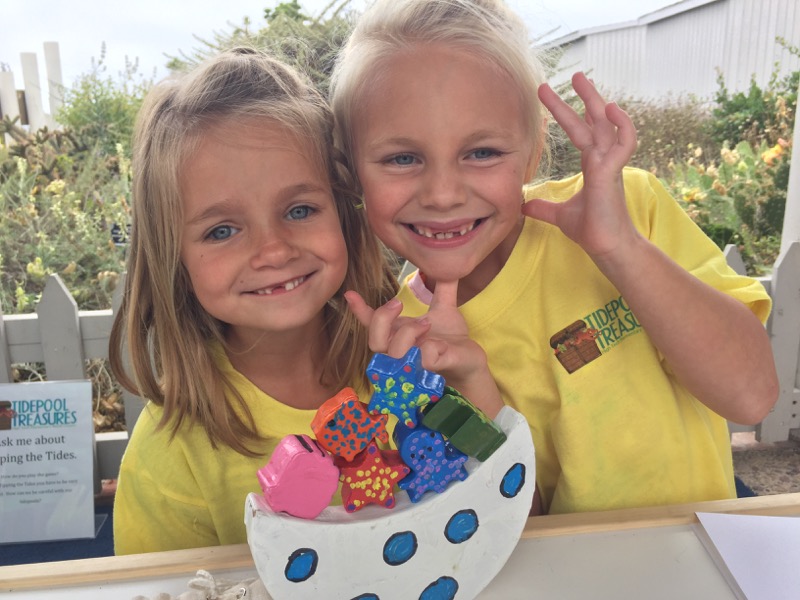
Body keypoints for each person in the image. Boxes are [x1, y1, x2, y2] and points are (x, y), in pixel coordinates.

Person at [330, 0, 779, 515]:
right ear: (351, 173)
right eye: (402, 158)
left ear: (534, 149)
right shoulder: (403, 343)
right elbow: (519, 521)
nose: (442, 194)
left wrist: (620, 250)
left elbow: (752, 396)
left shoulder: (631, 211)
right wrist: (472, 386)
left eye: (481, 153)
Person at [108, 47, 404, 554]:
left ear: (343, 212)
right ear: (172, 259)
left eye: (300, 208)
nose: (272, 250)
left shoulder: (408, 359)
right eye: (222, 230)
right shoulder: (171, 453)